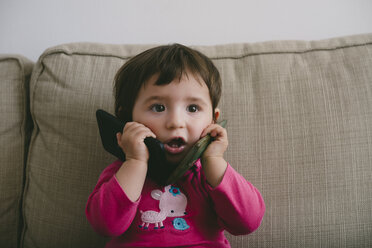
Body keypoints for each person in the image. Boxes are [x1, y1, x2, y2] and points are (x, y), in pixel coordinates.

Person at [86, 44, 265, 248]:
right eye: (158, 107)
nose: (176, 122)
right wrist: (135, 162)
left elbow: (247, 223)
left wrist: (214, 161)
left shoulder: (209, 175)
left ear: (213, 120)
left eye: (193, 108)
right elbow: (105, 226)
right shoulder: (122, 172)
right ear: (128, 119)